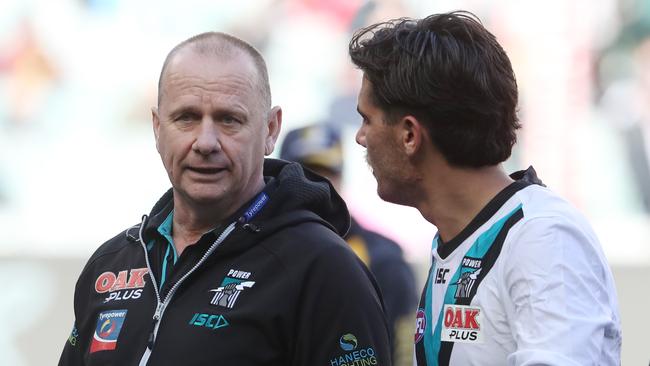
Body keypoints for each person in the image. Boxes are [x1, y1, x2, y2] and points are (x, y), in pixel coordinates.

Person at [58, 32, 391, 366]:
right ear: (158, 128)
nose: (205, 142)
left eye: (229, 119)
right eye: (186, 118)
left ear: (271, 130)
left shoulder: (324, 268)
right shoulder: (111, 265)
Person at [348, 11, 622, 365]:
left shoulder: (542, 236)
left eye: (366, 119)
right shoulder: (456, 241)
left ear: (410, 135)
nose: (360, 137)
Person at [280, 123, 418, 365]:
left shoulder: (383, 258)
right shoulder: (251, 246)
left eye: (325, 173)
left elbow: (403, 354)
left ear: (341, 178)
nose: (314, 185)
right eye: (303, 172)